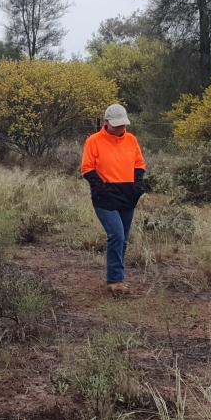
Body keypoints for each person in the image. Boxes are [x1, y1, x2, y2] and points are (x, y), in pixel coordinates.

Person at [81, 104, 147, 295]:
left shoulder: (131, 140)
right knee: (116, 235)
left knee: (123, 239)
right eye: (116, 125)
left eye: (122, 125)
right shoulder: (93, 141)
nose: (120, 129)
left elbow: (139, 164)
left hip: (127, 196)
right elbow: (87, 168)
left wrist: (138, 185)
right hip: (106, 198)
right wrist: (100, 187)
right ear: (106, 123)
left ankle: (117, 278)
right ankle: (115, 281)